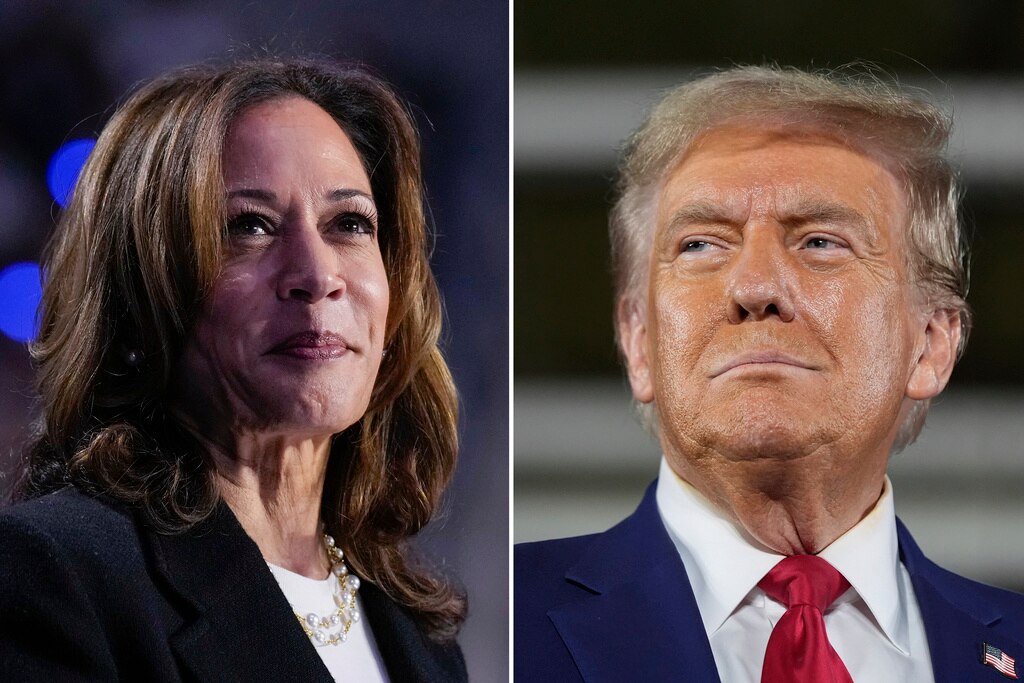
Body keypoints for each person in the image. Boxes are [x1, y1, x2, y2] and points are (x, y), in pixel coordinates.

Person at [515, 65, 1024, 682]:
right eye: (701, 245)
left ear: (930, 345)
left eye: (820, 242)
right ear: (639, 341)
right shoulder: (504, 625)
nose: (754, 287)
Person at [0, 58, 467, 682]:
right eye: (250, 226)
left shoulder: (424, 638)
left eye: (349, 224)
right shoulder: (56, 578)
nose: (318, 275)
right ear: (141, 293)